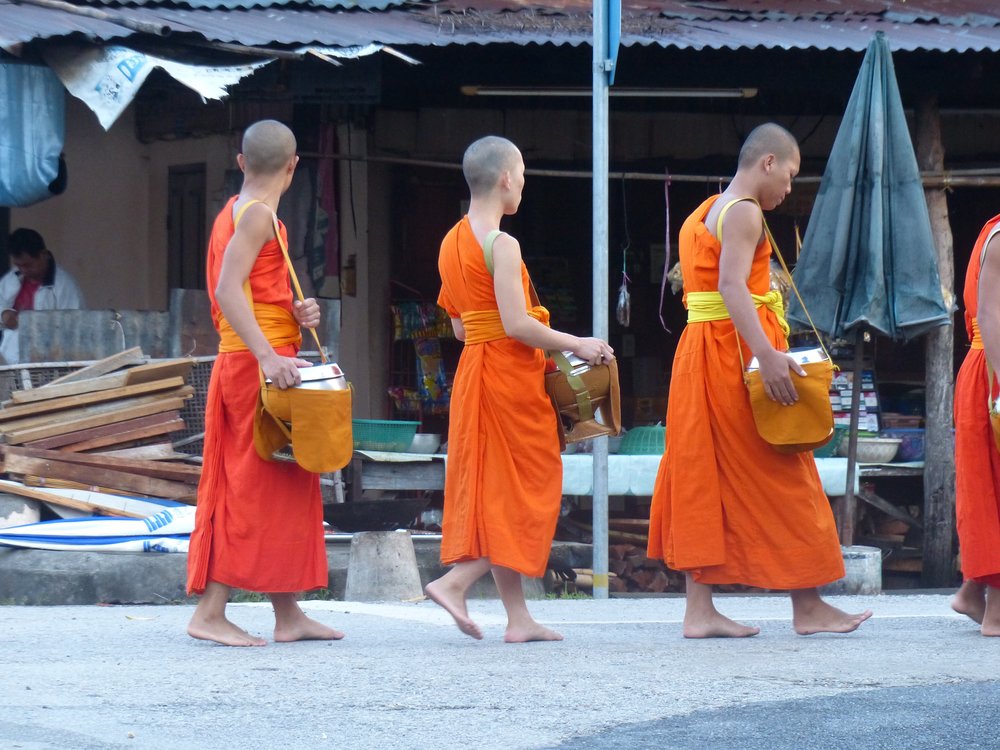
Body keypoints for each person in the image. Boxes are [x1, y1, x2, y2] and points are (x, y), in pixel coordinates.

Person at [646, 123, 873, 638]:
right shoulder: (745, 211)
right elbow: (730, 286)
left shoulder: (704, 210)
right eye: (790, 176)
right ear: (767, 162)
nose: (789, 190)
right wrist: (768, 355)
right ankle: (808, 605)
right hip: (736, 355)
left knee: (703, 475)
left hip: (702, 352)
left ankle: (699, 611)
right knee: (789, 472)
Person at [425, 135, 614, 642]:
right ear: (506, 178)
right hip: (510, 376)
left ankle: (518, 618)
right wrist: (580, 342)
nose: (525, 184)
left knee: (497, 490)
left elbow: (463, 328)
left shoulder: (451, 241)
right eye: (524, 174)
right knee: (530, 491)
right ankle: (455, 581)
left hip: (474, 373)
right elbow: (516, 324)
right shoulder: (501, 244)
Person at [185, 119, 343, 646]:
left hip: (265, 360)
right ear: (294, 167)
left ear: (240, 162)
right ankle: (210, 612)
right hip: (255, 368)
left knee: (282, 485)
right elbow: (229, 292)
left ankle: (288, 613)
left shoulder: (245, 214)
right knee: (249, 488)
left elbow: (251, 291)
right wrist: (268, 355)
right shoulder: (255, 216)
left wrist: (296, 312)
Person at [951, 213, 1000, 636]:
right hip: (992, 372)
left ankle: (971, 592)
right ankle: (997, 614)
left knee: (987, 484)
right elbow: (989, 314)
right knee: (995, 487)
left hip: (985, 370)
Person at [0, 228, 85, 364]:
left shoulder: (65, 286)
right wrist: (4, 314)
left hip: (48, 363)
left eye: (28, 265)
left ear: (43, 255)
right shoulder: (12, 278)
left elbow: (74, 326)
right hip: (10, 360)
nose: (23, 270)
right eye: (19, 265)